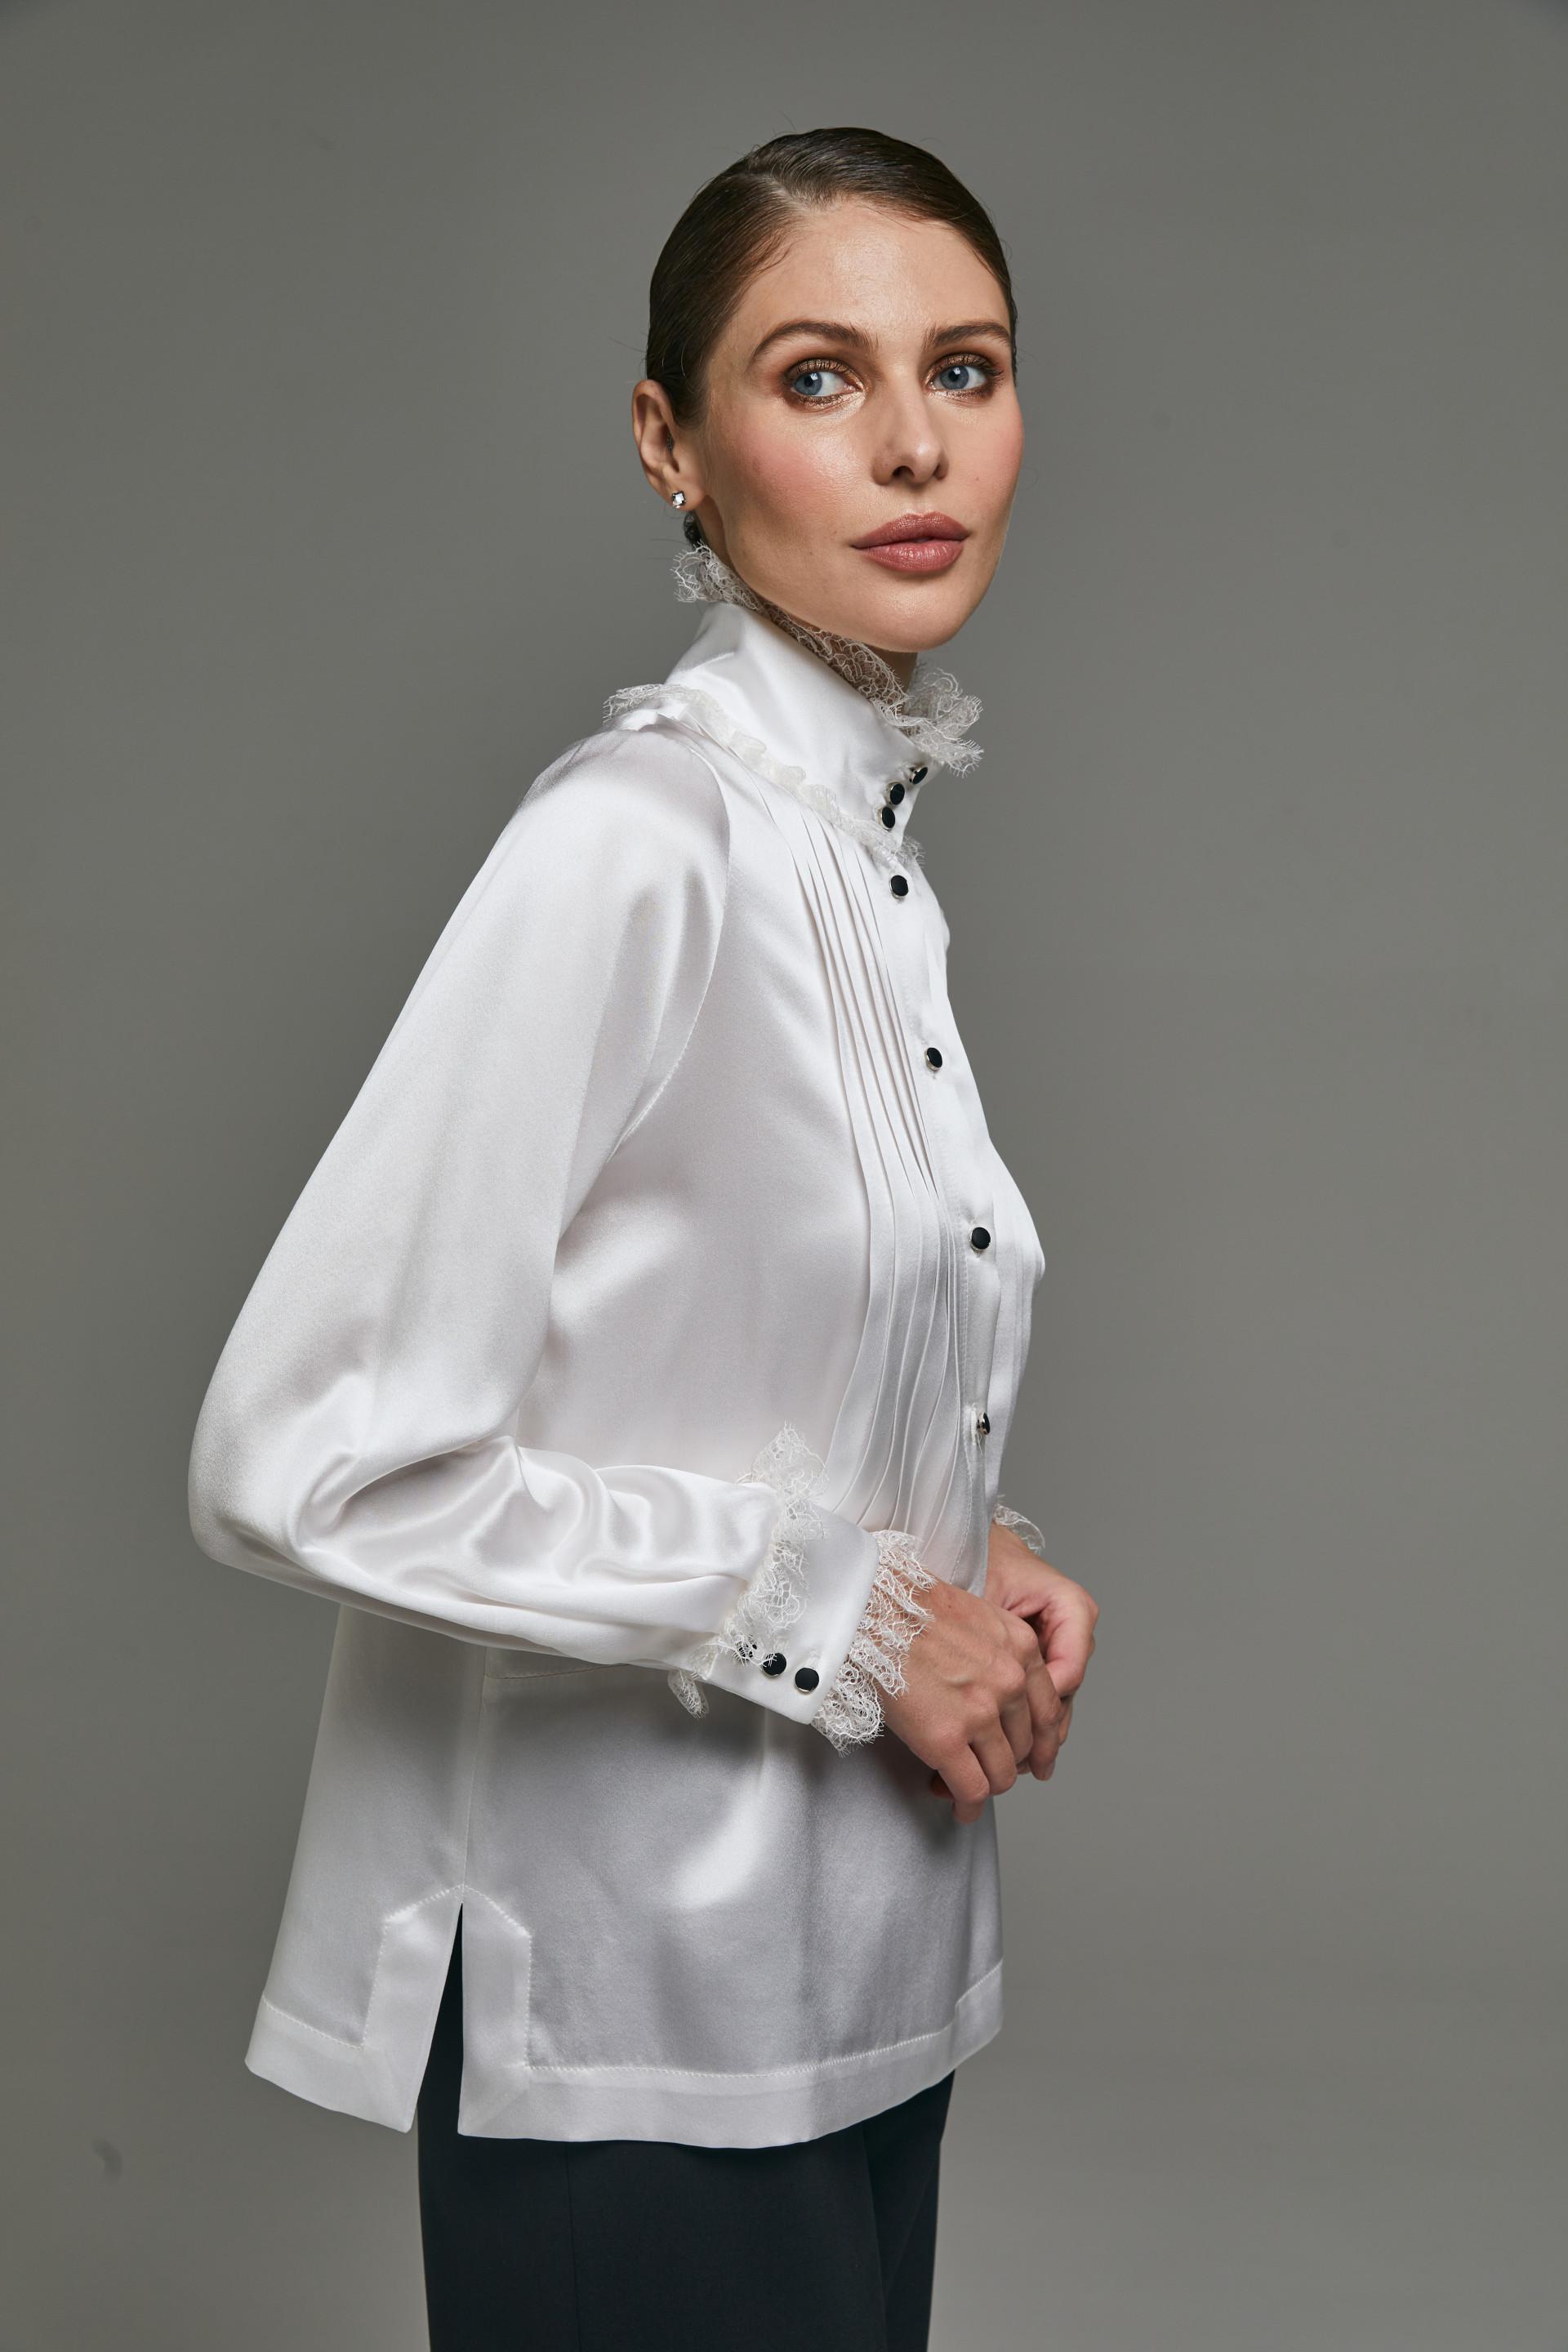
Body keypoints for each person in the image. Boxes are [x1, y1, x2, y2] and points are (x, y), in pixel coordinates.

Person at [187, 125, 1100, 2352]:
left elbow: (711, 1354)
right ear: (671, 443)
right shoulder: (638, 840)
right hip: (621, 2020)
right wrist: (847, 1615)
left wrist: (953, 1542)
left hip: (851, 1986)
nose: (913, 444)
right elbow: (302, 1453)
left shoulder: (860, 849)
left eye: (965, 368)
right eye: (817, 377)